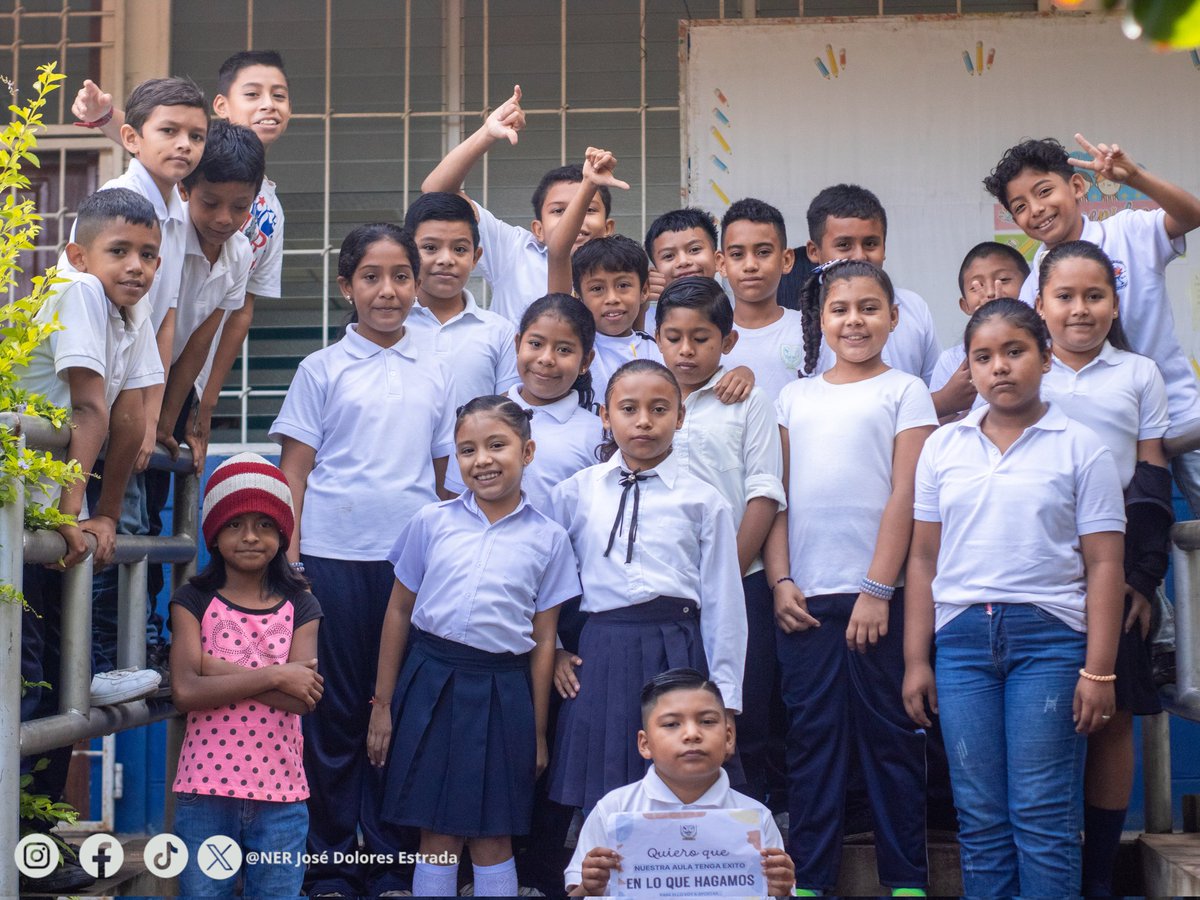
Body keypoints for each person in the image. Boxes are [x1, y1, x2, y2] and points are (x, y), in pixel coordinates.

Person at [903, 298, 1125, 898]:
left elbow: (1105, 563)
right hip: (961, 644)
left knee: (1043, 813)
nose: (999, 367)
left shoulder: (1081, 446)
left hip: (1050, 641)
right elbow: (922, 558)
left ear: (1046, 358)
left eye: (1014, 351)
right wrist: (917, 659)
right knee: (979, 818)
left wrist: (1099, 670)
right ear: (969, 369)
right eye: (983, 357)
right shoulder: (943, 447)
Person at [271, 223, 455, 897]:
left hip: (410, 566)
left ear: (417, 285)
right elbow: (294, 473)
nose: (388, 290)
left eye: (401, 276)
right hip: (331, 558)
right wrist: (292, 561)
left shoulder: (435, 370)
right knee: (335, 710)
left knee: (398, 708)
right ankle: (327, 861)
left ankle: (388, 860)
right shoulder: (321, 369)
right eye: (371, 277)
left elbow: (444, 480)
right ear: (346, 286)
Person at [766, 259, 936, 895]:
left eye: (869, 308)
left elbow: (906, 495)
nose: (854, 321)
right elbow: (776, 496)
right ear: (820, 319)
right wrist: (781, 581)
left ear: (893, 317)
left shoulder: (906, 391)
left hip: (881, 600)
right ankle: (810, 880)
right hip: (806, 602)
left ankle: (906, 881)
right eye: (840, 309)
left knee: (892, 741)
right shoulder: (794, 397)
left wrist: (877, 588)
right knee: (812, 743)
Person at [367, 396, 580, 897]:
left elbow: (543, 639)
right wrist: (382, 705)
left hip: (504, 691)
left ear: (527, 452)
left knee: (493, 834)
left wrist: (537, 732)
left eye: (496, 445)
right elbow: (398, 612)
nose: (482, 460)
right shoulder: (431, 522)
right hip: (430, 680)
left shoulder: (550, 539)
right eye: (467, 450)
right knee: (435, 833)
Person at [17, 188, 164, 891]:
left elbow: (132, 418)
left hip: (46, 519)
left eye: (149, 255)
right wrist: (75, 511)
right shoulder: (76, 291)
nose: (137, 266)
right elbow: (88, 407)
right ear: (78, 255)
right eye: (120, 251)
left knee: (54, 682)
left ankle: (33, 846)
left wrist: (105, 515)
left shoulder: (129, 311)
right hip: (21, 514)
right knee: (26, 680)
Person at [72, 50, 294, 466]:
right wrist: (104, 117)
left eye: (279, 95)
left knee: (142, 484)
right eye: (253, 93)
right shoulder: (152, 206)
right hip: (106, 371)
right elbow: (151, 137)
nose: (268, 105)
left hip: (166, 379)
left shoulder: (256, 225)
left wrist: (185, 409)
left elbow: (200, 325)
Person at [1034, 242, 1173, 896]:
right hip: (1037, 564)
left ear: (1115, 304)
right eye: (1064, 296)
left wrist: (1142, 577)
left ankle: (1096, 881)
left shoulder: (1138, 374)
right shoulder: (1023, 367)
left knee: (1111, 716)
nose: (1080, 310)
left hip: (1113, 566)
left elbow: (1150, 474)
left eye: (1094, 296)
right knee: (1047, 716)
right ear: (1041, 305)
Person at [547, 360, 747, 814]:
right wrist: (556, 648)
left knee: (683, 781)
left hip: (678, 650)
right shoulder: (575, 494)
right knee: (605, 788)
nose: (643, 421)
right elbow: (545, 581)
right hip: (602, 650)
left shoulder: (703, 500)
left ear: (680, 416)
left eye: (659, 409)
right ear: (605, 416)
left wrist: (727, 698)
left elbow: (724, 604)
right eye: (628, 409)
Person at [984, 134, 1200, 502]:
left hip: (1180, 415)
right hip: (1101, 429)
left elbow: (1191, 215)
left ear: (1077, 186)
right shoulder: (1033, 285)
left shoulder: (1127, 232)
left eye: (1044, 191)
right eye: (1020, 206)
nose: (1036, 209)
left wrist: (1135, 178)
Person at [652, 275, 786, 805]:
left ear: (728, 342)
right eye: (674, 337)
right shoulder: (644, 401)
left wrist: (724, 576)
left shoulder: (748, 401)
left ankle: (750, 826)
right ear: (656, 338)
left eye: (701, 338)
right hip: (667, 586)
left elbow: (764, 493)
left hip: (741, 579)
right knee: (674, 710)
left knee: (740, 709)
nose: (686, 350)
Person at [169, 452, 323, 897]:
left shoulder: (302, 605)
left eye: (264, 524)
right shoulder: (192, 600)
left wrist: (213, 668)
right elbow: (186, 691)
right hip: (204, 790)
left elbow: (301, 698)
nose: (250, 536)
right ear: (214, 534)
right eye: (235, 524)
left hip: (282, 794)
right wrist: (277, 675)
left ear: (282, 533)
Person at [140, 120, 264, 664]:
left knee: (153, 516)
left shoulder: (239, 254)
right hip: (130, 382)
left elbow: (202, 340)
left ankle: (146, 639)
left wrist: (180, 418)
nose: (223, 218)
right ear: (186, 188)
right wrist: (149, 417)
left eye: (240, 207)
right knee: (124, 519)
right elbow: (155, 334)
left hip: (175, 385)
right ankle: (109, 645)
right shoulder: (164, 238)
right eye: (211, 202)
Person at [566, 668, 794, 897]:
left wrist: (781, 892)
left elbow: (775, 892)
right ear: (645, 744)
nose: (692, 734)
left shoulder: (755, 818)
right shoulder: (614, 810)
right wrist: (589, 887)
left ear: (728, 737)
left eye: (707, 721)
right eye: (672, 724)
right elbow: (576, 892)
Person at [421, 85, 615, 324]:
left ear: (608, 227)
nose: (573, 221)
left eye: (589, 209)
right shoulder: (513, 251)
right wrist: (487, 133)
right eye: (558, 211)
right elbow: (436, 191)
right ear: (538, 229)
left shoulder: (623, 268)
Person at [804, 184, 940, 388]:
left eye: (870, 244)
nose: (860, 255)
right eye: (844, 245)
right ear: (814, 251)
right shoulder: (800, 320)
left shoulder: (913, 307)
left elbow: (933, 386)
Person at [508, 293, 603, 513]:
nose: (546, 359)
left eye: (564, 350)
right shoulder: (483, 417)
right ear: (518, 344)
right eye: (535, 344)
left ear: (586, 361)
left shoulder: (597, 435)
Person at [930, 241, 1030, 422]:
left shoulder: (1044, 349)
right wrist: (952, 400)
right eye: (976, 286)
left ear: (1030, 289)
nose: (990, 292)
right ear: (965, 305)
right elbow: (938, 427)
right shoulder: (952, 361)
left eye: (1003, 280)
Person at [717, 198, 802, 401]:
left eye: (763, 252)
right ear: (721, 264)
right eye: (737, 254)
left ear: (786, 260)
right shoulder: (707, 335)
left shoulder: (810, 329)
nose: (750, 265)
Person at [641, 206, 722, 322]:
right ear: (655, 272)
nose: (683, 262)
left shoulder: (738, 320)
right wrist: (641, 304)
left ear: (717, 260)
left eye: (694, 249)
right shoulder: (644, 322)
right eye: (668, 256)